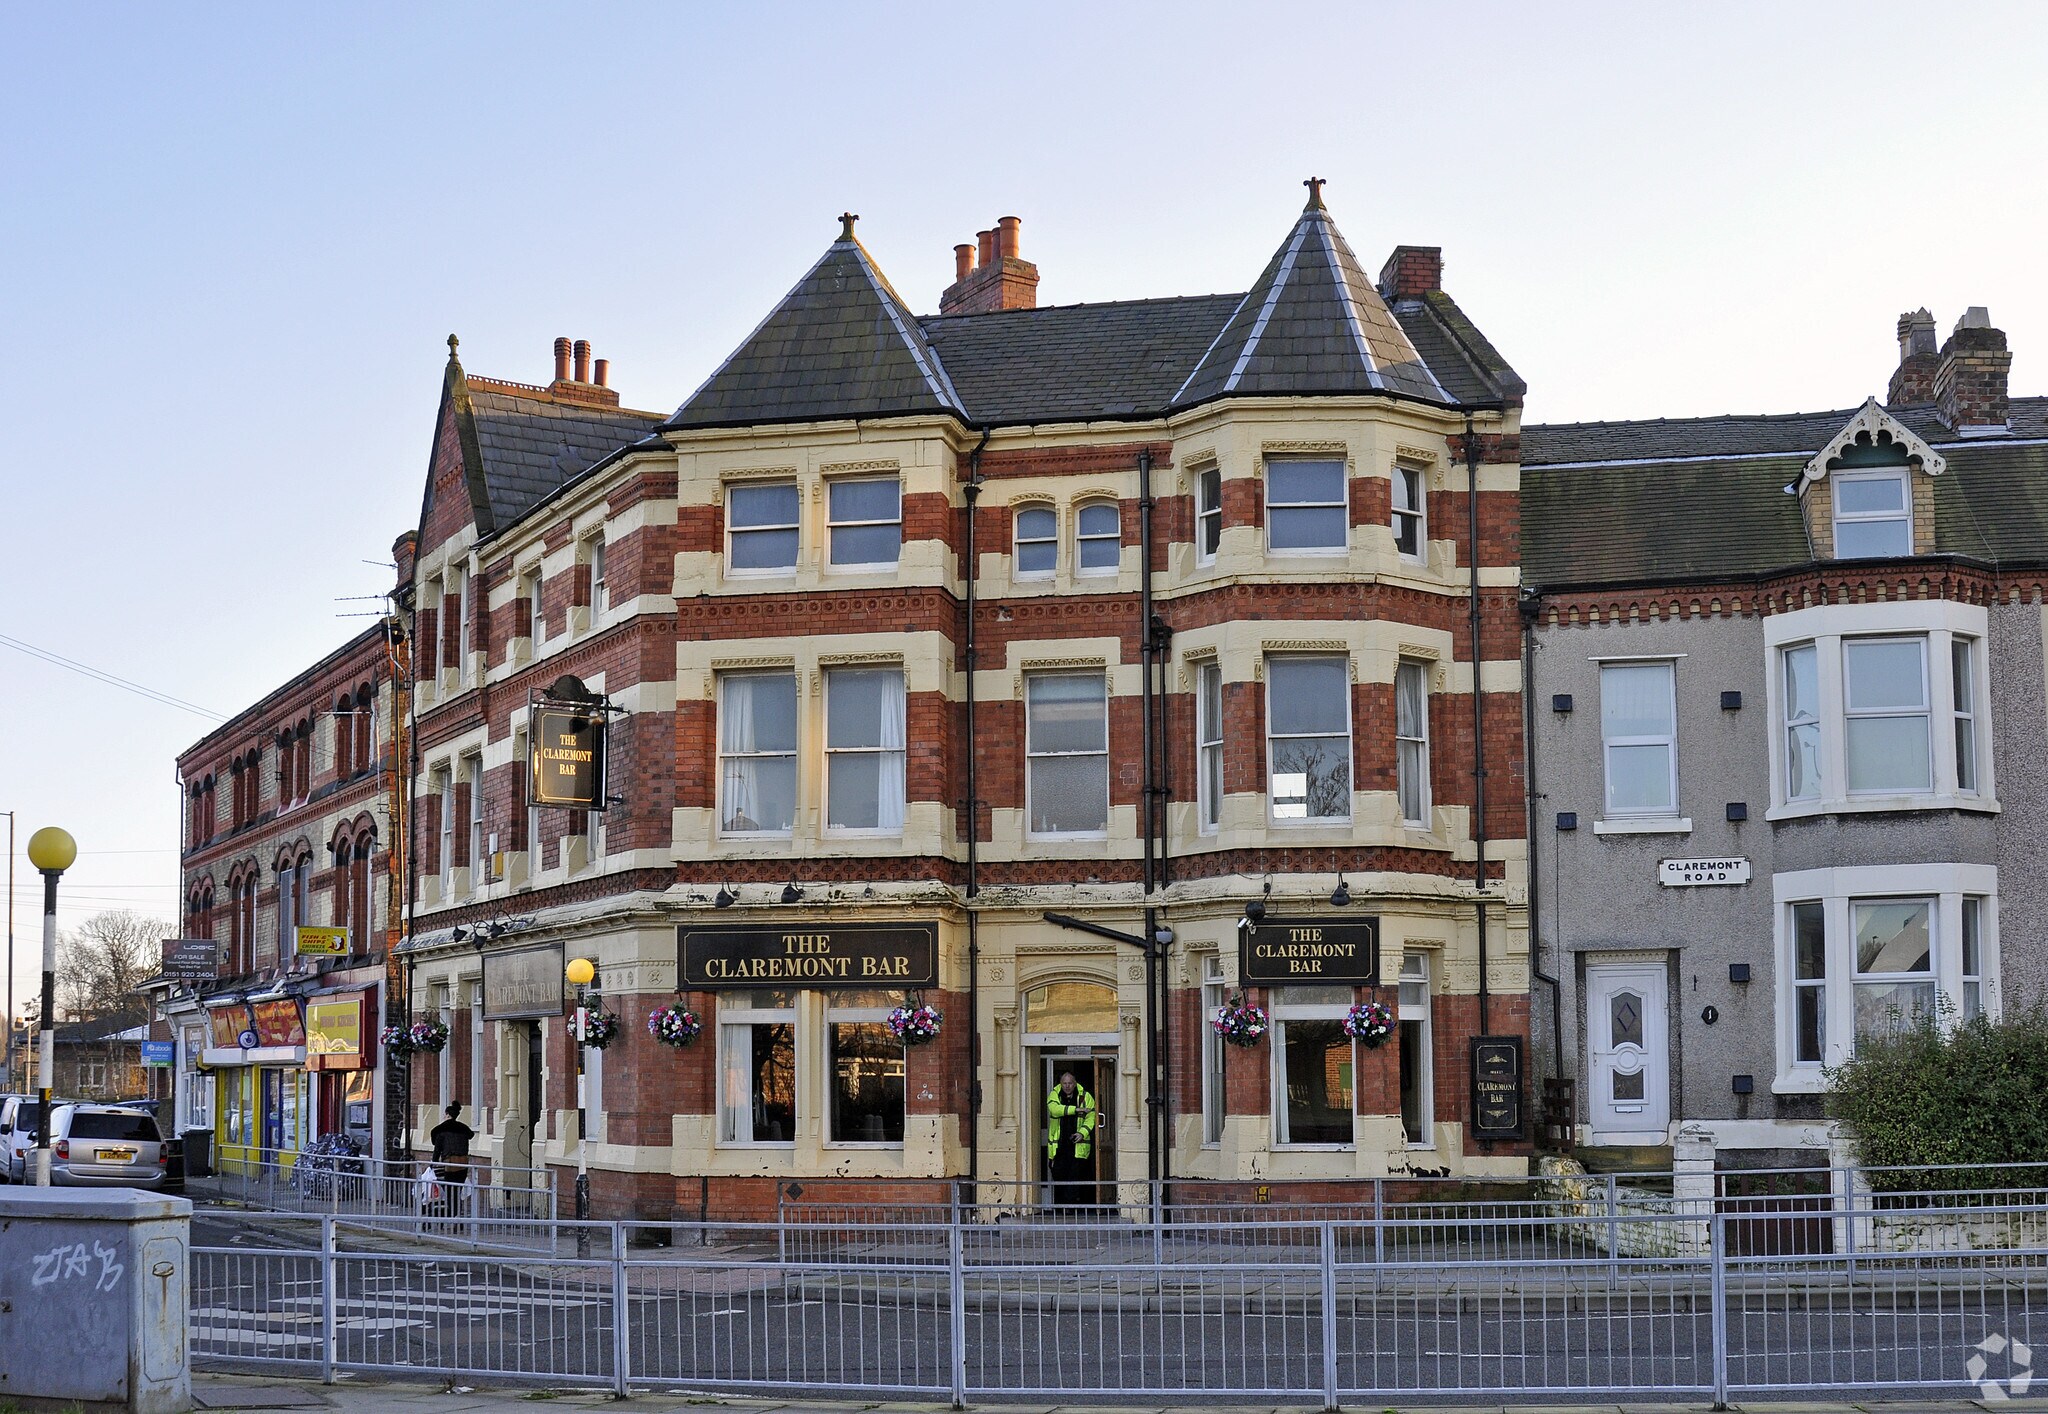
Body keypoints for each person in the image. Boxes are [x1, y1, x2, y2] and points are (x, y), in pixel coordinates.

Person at [1044, 1070, 1097, 1211]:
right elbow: (1054, 1110)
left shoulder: (1085, 1096)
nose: (1067, 1086)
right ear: (1060, 1084)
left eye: (1070, 1083)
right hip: (1059, 1145)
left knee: (1076, 1176)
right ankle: (1061, 1206)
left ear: (1075, 1083)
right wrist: (1077, 1110)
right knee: (1058, 1174)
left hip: (1078, 1144)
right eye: (1064, 1083)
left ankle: (1072, 1207)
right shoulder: (1054, 1095)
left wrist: (1082, 1133)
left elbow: (1091, 1117)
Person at [428, 1102, 474, 1217]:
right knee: (458, 1191)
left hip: (449, 1163)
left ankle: (452, 1215)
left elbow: (437, 1149)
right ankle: (457, 1214)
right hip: (463, 1163)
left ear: (447, 1114)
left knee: (449, 1191)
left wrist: (432, 1164)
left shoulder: (441, 1130)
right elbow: (471, 1135)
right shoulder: (463, 1128)